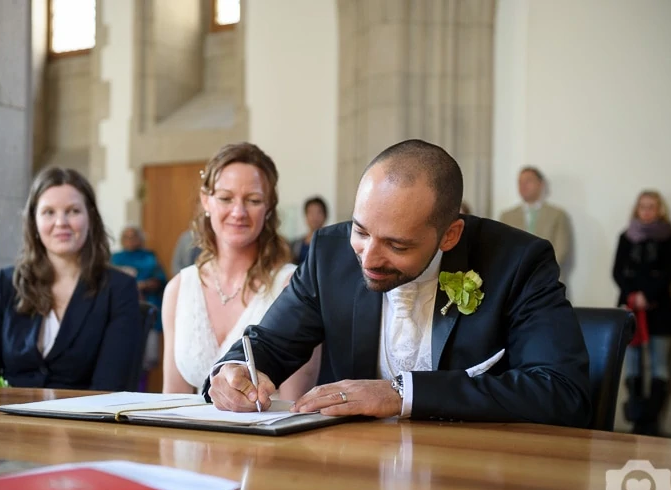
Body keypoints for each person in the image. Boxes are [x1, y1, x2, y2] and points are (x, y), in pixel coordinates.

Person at [206, 139, 591, 428]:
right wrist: (234, 370)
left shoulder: (518, 262)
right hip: (352, 476)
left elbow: (561, 391)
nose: (368, 259)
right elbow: (268, 345)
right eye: (361, 231)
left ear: (450, 235)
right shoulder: (329, 253)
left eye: (397, 244)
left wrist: (402, 392)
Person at [0, 167, 143, 390]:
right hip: (9, 421)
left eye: (73, 211)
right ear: (33, 222)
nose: (61, 222)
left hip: (83, 421)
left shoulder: (119, 288)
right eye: (49, 212)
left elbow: (110, 388)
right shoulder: (6, 284)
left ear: (91, 218)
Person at [161, 142, 320, 398]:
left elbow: (295, 405)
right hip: (190, 437)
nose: (238, 212)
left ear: (268, 208)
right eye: (225, 198)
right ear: (206, 201)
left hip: (269, 435)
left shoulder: (292, 288)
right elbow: (172, 398)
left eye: (253, 200)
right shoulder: (179, 288)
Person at [613, 190, 671, 436]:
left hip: (659, 311)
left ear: (659, 209)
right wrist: (633, 295)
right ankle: (637, 419)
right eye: (643, 206)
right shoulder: (626, 237)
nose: (647, 210)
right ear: (636, 209)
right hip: (629, 310)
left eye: (652, 206)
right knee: (632, 366)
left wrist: (647, 296)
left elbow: (669, 273)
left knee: (659, 367)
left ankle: (651, 421)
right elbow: (618, 272)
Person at [111, 225, 167, 383]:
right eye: (126, 236)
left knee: (147, 359)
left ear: (141, 239)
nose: (130, 240)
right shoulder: (115, 258)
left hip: (147, 308)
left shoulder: (149, 257)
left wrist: (141, 286)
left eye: (134, 236)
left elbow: (160, 281)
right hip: (121, 312)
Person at [499, 167, 571, 270]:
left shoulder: (557, 215)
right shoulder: (506, 216)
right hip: (516, 278)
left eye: (528, 181)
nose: (523, 186)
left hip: (548, 277)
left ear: (540, 184)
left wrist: (539, 270)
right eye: (520, 182)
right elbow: (503, 249)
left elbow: (561, 250)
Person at [289, 196, 329, 265]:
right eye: (311, 212)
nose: (315, 217)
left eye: (318, 212)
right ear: (306, 216)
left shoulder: (332, 243)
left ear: (325, 216)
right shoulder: (296, 245)